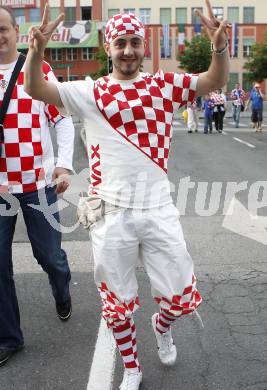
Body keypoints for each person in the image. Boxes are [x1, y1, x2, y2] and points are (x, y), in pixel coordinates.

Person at [24, 2, 229, 389]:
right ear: (108, 47)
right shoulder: (91, 92)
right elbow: (36, 88)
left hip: (157, 211)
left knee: (179, 298)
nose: (129, 50)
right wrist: (36, 54)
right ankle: (132, 367)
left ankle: (160, 326)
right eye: (121, 43)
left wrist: (219, 48)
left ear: (143, 47)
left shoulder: (164, 86)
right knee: (116, 303)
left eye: (135, 42)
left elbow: (212, 82)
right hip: (110, 215)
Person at [0, 6, 75, 367]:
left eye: (4, 29)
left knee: (50, 257)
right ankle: (9, 338)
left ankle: (62, 288)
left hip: (37, 184)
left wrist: (62, 165)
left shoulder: (38, 69)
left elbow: (61, 121)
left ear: (17, 31)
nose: (0, 36)